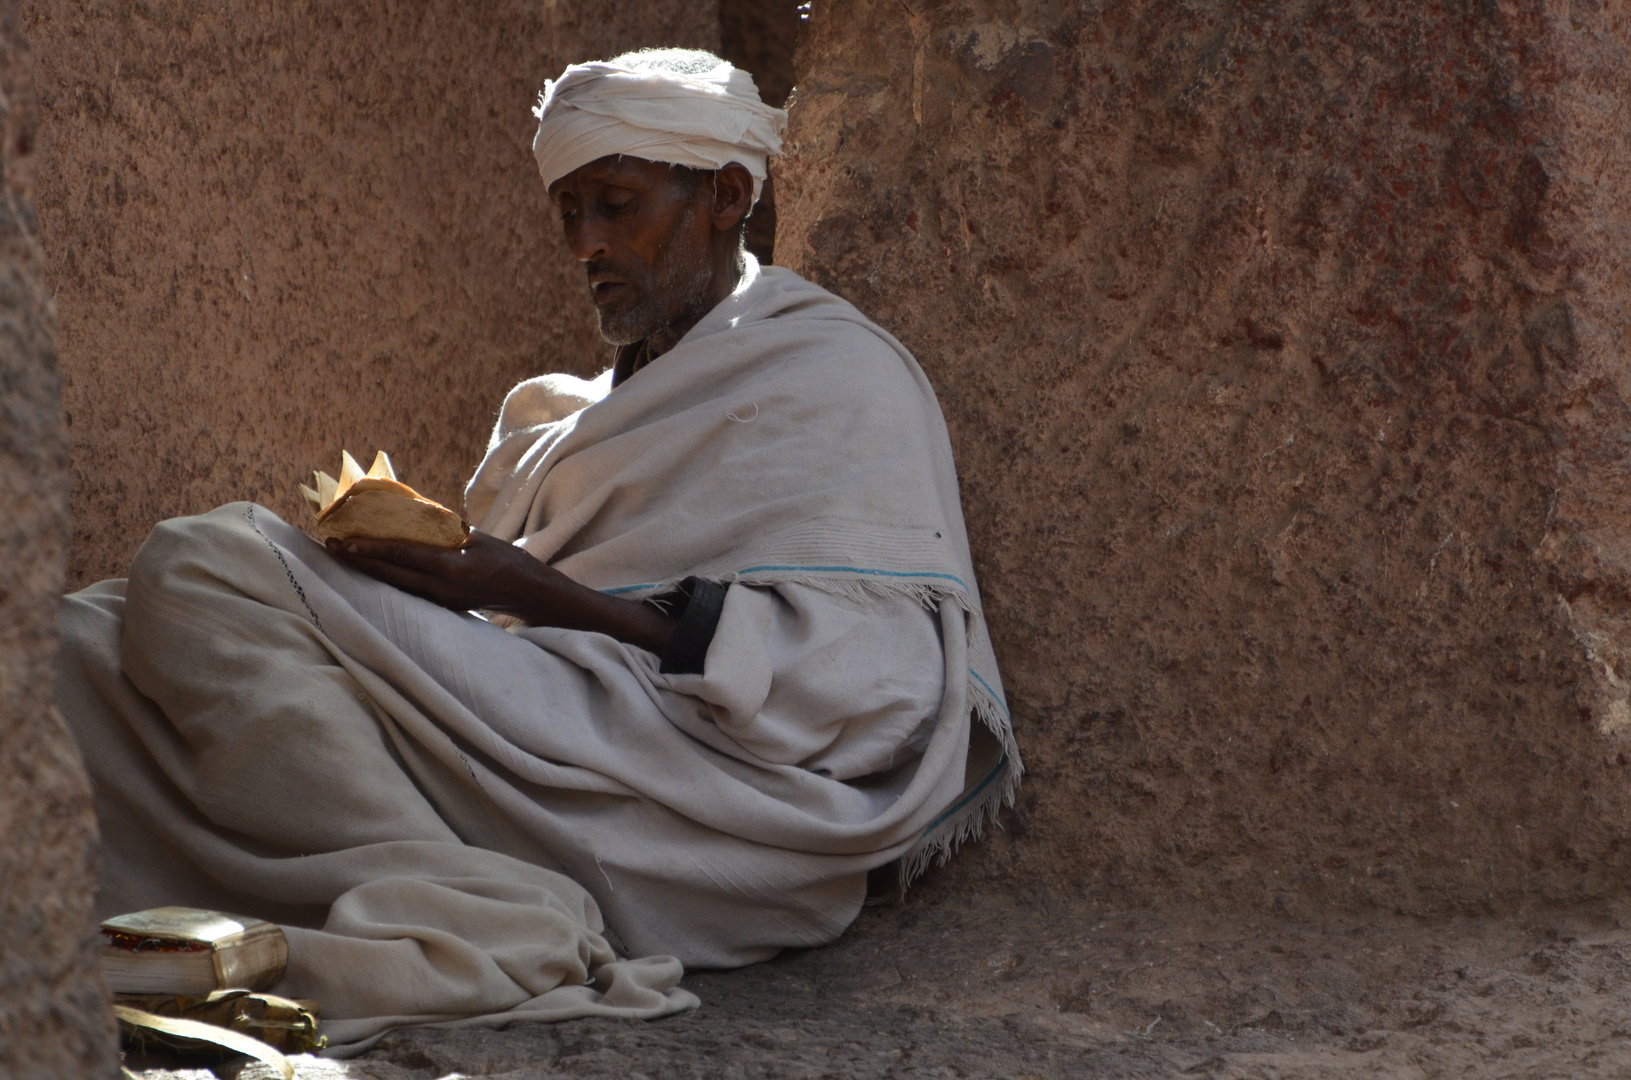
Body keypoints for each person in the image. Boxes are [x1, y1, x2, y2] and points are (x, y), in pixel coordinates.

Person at [54, 48, 1019, 1053]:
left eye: (616, 204)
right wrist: (440, 581)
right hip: (541, 749)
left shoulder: (832, 376)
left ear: (726, 195)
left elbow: (878, 695)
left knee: (206, 567)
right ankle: (414, 889)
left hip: (695, 815)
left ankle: (486, 922)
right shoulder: (569, 419)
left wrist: (540, 593)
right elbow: (512, 632)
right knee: (78, 643)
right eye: (569, 212)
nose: (584, 243)